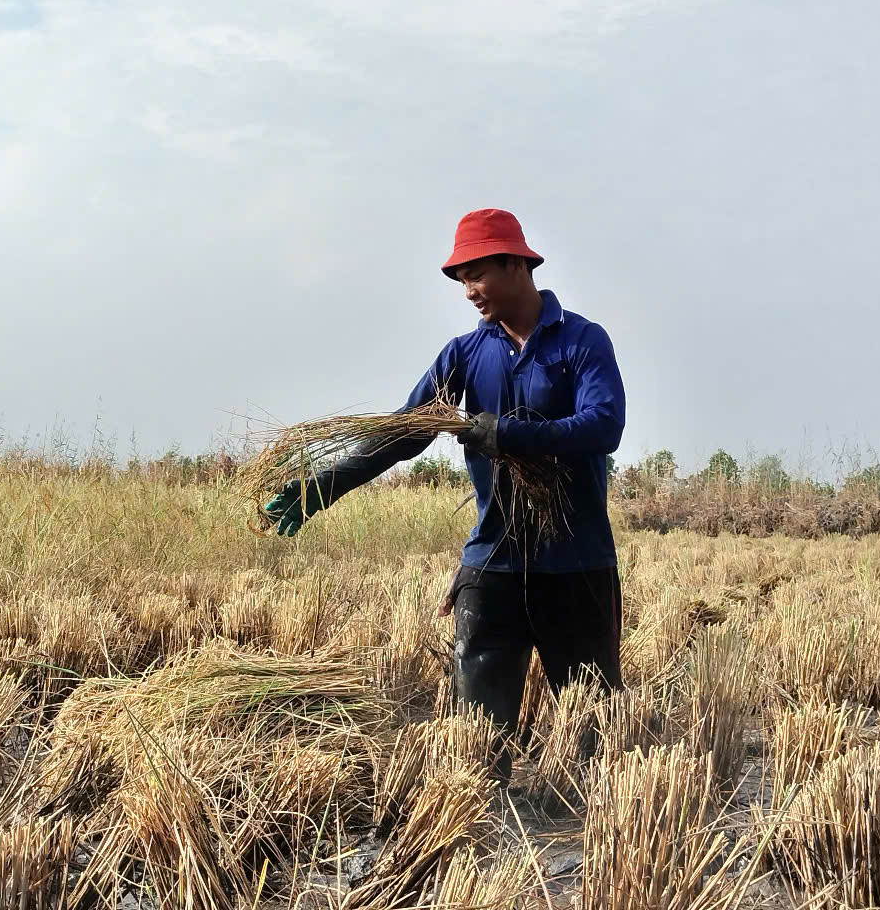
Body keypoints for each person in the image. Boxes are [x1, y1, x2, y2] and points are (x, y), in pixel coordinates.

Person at [264, 208, 626, 780]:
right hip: (493, 566)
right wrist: (322, 486)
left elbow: (604, 427)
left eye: (476, 273)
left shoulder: (581, 341)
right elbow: (406, 433)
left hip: (575, 565)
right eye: (460, 279)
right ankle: (487, 847)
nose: (467, 290)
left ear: (516, 263)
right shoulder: (463, 354)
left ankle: (600, 845)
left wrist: (505, 433)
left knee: (597, 742)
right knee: (478, 749)